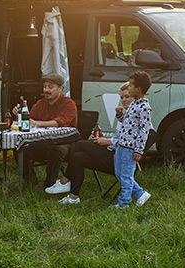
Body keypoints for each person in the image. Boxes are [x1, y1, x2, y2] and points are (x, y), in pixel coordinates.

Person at [46, 82, 133, 204]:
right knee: (78, 157)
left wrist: (107, 141)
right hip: (113, 152)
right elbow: (121, 137)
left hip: (120, 160)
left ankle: (64, 181)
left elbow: (131, 142)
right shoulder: (126, 116)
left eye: (127, 97)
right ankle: (73, 197)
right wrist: (103, 138)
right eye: (122, 97)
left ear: (135, 96)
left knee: (81, 144)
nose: (123, 100)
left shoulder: (136, 116)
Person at [12, 73, 78, 189]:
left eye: (50, 87)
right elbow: (29, 121)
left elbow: (59, 122)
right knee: (19, 147)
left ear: (61, 88)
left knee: (56, 150)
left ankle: (49, 185)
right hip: (44, 142)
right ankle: (31, 182)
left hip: (65, 143)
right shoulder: (40, 103)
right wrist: (20, 115)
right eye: (44, 87)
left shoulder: (69, 104)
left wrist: (37, 123)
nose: (46, 90)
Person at [112, 70, 153, 208]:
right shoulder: (134, 104)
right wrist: (120, 115)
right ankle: (140, 194)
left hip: (130, 148)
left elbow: (144, 131)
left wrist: (139, 150)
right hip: (121, 145)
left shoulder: (145, 108)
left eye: (130, 85)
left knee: (126, 176)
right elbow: (129, 124)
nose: (128, 88)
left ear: (138, 89)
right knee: (119, 173)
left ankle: (124, 203)